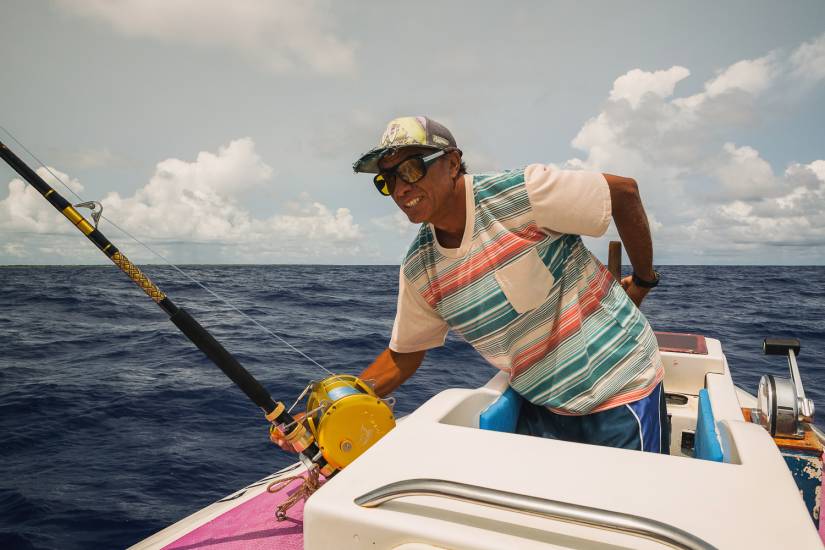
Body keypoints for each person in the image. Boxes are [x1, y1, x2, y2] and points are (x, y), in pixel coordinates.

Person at [351, 116, 669, 454]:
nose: (400, 189)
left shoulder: (522, 193)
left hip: (622, 389)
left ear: (453, 163)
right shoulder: (419, 268)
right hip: (543, 406)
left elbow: (623, 193)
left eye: (411, 169)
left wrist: (644, 280)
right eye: (387, 180)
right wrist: (337, 402)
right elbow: (404, 355)